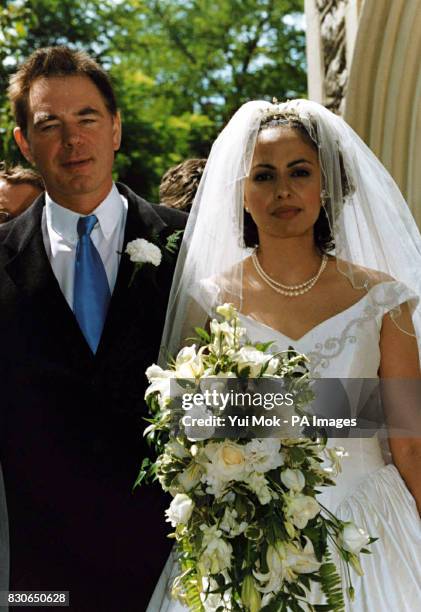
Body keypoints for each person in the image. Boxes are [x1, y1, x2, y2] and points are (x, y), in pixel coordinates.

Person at [150, 100, 421, 610]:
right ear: (243, 194)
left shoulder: (386, 298)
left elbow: (410, 443)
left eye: (300, 172)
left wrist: (255, 405)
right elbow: (188, 421)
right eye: (264, 176)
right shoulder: (207, 299)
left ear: (328, 184)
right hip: (244, 532)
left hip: (371, 526)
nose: (283, 191)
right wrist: (361, 409)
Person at [0, 46, 186, 611]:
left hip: (172, 570)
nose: (71, 140)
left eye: (87, 119)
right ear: (25, 143)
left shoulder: (192, 248)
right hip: (41, 583)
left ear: (116, 130)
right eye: (49, 124)